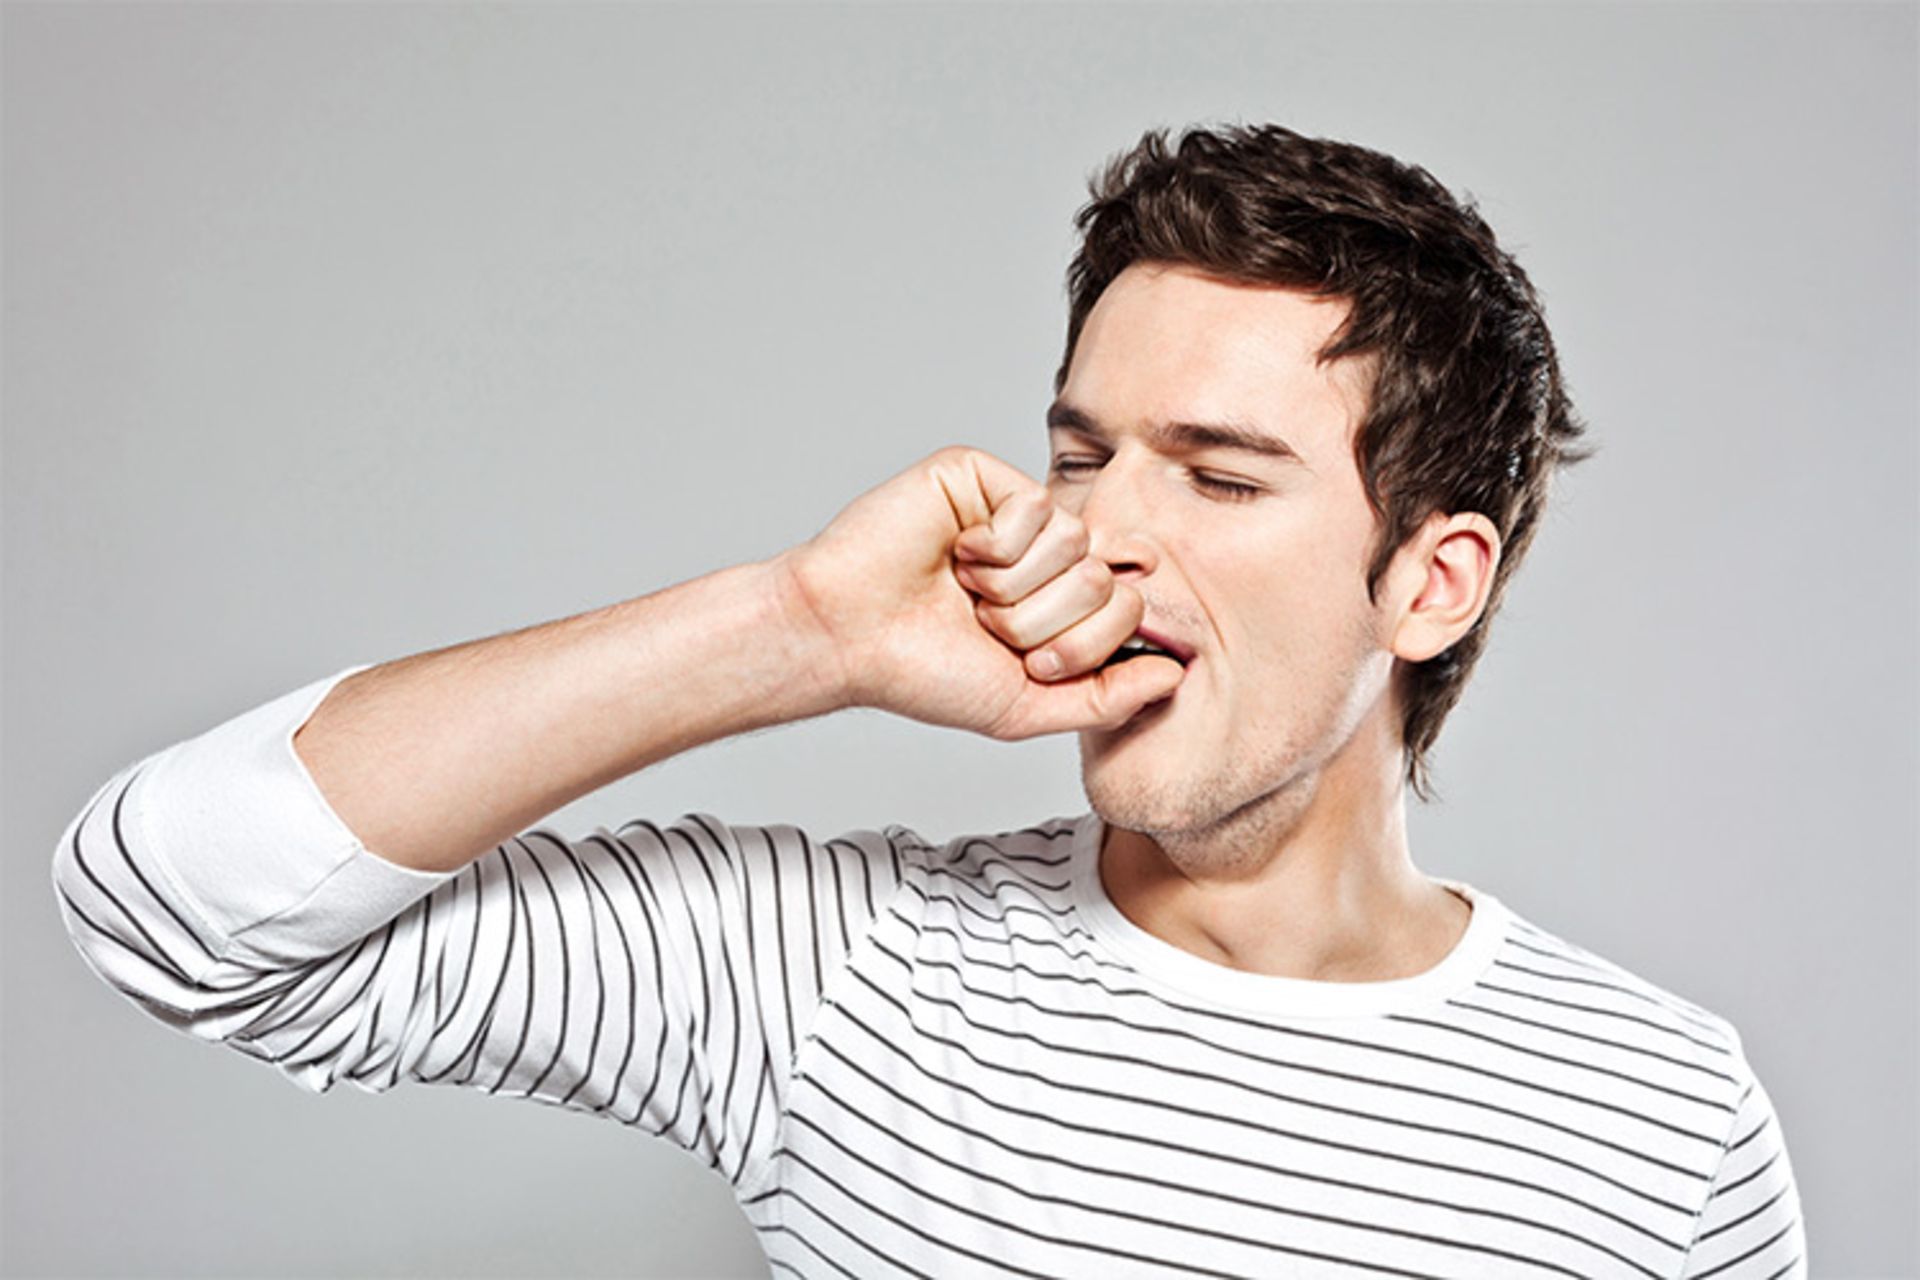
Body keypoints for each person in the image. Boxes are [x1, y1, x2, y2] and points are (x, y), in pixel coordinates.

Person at [52, 122, 1806, 1276]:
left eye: (1218, 474)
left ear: (1431, 582)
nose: (1101, 530)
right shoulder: (837, 972)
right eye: (1082, 454)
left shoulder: (1663, 1112)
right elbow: (167, 906)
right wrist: (796, 628)